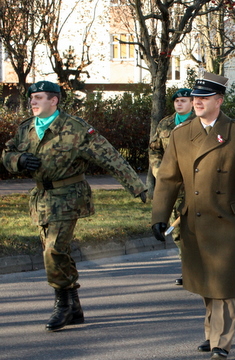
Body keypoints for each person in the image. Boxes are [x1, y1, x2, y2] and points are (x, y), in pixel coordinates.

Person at [2, 81, 147, 331]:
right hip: (42, 198)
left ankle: (62, 305)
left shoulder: (75, 128)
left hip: (69, 195)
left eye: (38, 98)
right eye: (31, 98)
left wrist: (137, 186)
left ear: (54, 100)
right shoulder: (26, 129)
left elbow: (110, 156)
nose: (32, 102)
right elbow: (6, 154)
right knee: (59, 252)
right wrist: (18, 159)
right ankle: (74, 305)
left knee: (53, 250)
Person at [151, 72, 235, 360]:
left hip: (228, 221)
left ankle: (221, 341)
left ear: (219, 100)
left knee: (223, 285)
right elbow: (168, 179)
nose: (197, 102)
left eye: (203, 98)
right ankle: (212, 332)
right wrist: (159, 216)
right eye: (195, 98)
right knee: (204, 281)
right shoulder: (180, 134)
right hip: (195, 221)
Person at [148, 88, 195, 285]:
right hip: (170, 184)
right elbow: (154, 150)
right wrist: (160, 172)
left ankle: (199, 269)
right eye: (176, 101)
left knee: (194, 227)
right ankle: (188, 269)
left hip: (193, 184)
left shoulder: (199, 122)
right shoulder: (165, 123)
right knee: (176, 231)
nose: (178, 104)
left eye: (183, 101)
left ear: (192, 103)